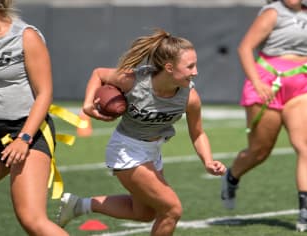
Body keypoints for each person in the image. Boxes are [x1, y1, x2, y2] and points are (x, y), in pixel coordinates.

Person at [57, 28, 226, 235]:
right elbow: (99, 74)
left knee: (145, 213)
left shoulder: (190, 97)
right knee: (172, 210)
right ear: (169, 67)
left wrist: (208, 161)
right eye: (190, 66)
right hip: (127, 149)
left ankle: (79, 205)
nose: (196, 71)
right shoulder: (133, 81)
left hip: (153, 152)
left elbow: (198, 133)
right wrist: (87, 105)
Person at [220, 0, 307, 232]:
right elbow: (245, 47)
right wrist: (257, 83)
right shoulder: (272, 12)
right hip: (268, 83)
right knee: (260, 151)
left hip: (301, 86)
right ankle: (232, 176)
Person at [0, 0, 68, 235]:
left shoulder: (26, 36)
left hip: (30, 132)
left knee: (32, 220)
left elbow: (44, 94)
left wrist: (24, 138)